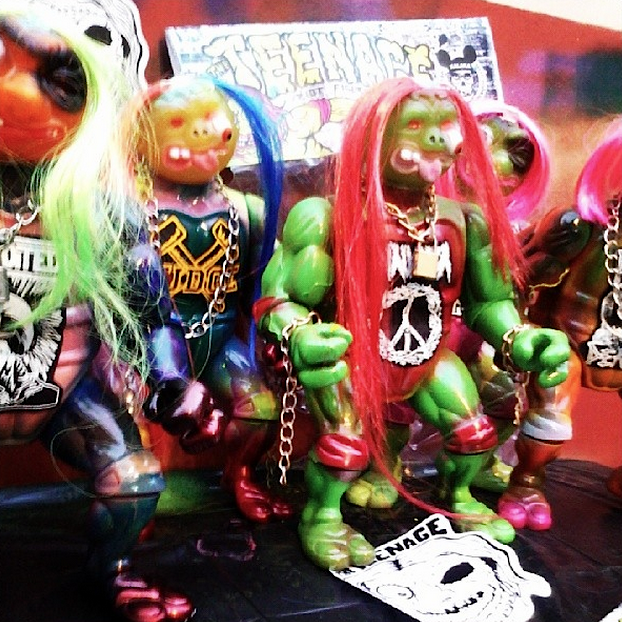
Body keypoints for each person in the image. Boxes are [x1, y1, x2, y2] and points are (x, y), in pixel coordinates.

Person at [255, 77, 570, 570]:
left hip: (428, 357)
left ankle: (457, 495)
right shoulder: (325, 217)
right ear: (373, 137)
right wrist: (300, 333)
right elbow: (280, 299)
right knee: (345, 446)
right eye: (418, 126)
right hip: (351, 355)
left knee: (474, 433)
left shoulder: (465, 222)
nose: (438, 139)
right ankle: (322, 516)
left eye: (444, 126)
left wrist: (520, 338)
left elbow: (488, 302)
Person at [0, 7, 213, 620]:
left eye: (58, 79)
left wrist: (171, 382)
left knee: (135, 479)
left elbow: (152, 312)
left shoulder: (102, 210)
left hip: (62, 398)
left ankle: (111, 570)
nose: (17, 92)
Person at [135, 75, 290, 523]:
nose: (201, 132)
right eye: (178, 123)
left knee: (260, 409)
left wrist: (281, 325)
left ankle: (238, 475)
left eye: (210, 118)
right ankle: (134, 500)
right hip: (143, 349)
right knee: (131, 425)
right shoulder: (127, 208)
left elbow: (272, 282)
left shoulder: (246, 211)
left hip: (219, 341)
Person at [501, 118, 622, 529]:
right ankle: (526, 483)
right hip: (568, 344)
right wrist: (514, 332)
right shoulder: (578, 227)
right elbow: (519, 274)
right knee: (551, 412)